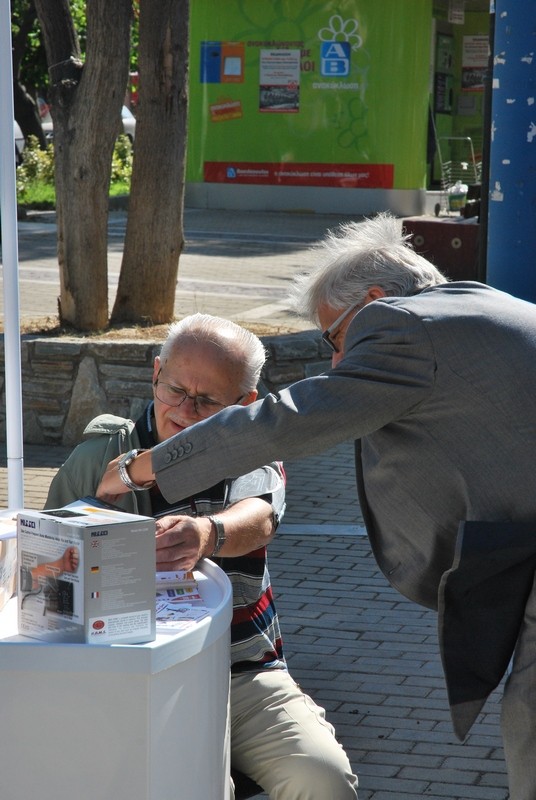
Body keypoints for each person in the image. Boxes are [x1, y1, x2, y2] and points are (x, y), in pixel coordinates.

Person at [97, 213, 536, 800]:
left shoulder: (402, 326)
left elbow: (286, 423)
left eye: (334, 339)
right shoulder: (480, 306)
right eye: (176, 390)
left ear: (373, 302)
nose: (336, 362)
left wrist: (142, 468)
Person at [46, 313, 358, 800]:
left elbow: (260, 517)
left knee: (323, 779)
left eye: (208, 400)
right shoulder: (97, 457)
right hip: (121, 679)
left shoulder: (253, 450)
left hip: (243, 674)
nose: (185, 410)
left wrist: (208, 534)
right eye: (175, 390)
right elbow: (47, 572)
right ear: (156, 373)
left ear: (245, 403)